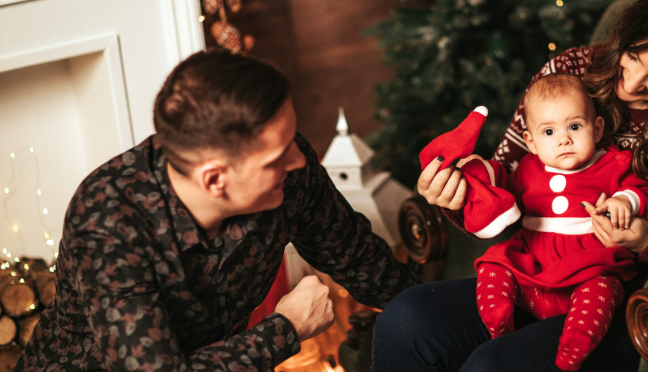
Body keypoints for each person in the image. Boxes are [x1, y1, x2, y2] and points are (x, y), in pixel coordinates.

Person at [373, 0, 648, 372]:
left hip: (641, 303)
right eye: (633, 56)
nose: (631, 83)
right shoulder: (570, 71)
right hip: (537, 270)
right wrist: (459, 195)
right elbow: (507, 181)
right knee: (406, 319)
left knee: (496, 364)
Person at [14, 50, 418, 372]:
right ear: (214, 180)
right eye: (279, 156)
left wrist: (452, 314)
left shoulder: (289, 170)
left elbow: (359, 258)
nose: (299, 159)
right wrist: (288, 328)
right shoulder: (106, 220)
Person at [419, 74, 648, 371]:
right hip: (534, 265)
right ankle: (498, 319)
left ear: (597, 129)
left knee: (603, 287)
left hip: (588, 263)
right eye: (549, 132)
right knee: (496, 262)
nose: (564, 139)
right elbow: (500, 192)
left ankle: (576, 343)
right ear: (531, 142)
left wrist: (626, 202)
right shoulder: (526, 168)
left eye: (575, 127)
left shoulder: (613, 163)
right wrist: (473, 176)